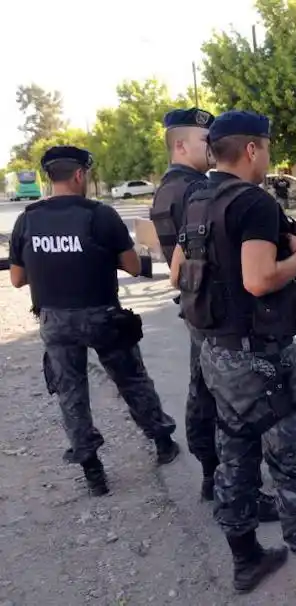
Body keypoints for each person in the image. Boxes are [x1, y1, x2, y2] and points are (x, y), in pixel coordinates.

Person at [169, 111, 296, 601]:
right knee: (293, 461)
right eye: (265, 146)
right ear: (251, 150)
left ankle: (246, 559)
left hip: (216, 355)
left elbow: (178, 274)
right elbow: (259, 279)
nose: (267, 156)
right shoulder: (252, 203)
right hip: (260, 358)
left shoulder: (197, 199)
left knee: (235, 455)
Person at [7, 145, 181, 497]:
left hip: (55, 320)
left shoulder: (27, 219)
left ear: (48, 177)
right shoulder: (100, 215)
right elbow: (133, 266)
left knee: (71, 395)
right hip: (101, 315)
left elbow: (16, 279)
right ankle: (162, 442)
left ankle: (93, 472)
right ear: (79, 175)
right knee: (132, 380)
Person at [150, 107, 279, 520]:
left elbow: (176, 268)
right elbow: (247, 273)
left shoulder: (167, 191)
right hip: (223, 315)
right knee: (234, 414)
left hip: (198, 307)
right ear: (181, 144)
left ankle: (216, 478)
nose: (210, 151)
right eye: (203, 142)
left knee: (206, 394)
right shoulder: (199, 192)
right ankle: (232, 488)